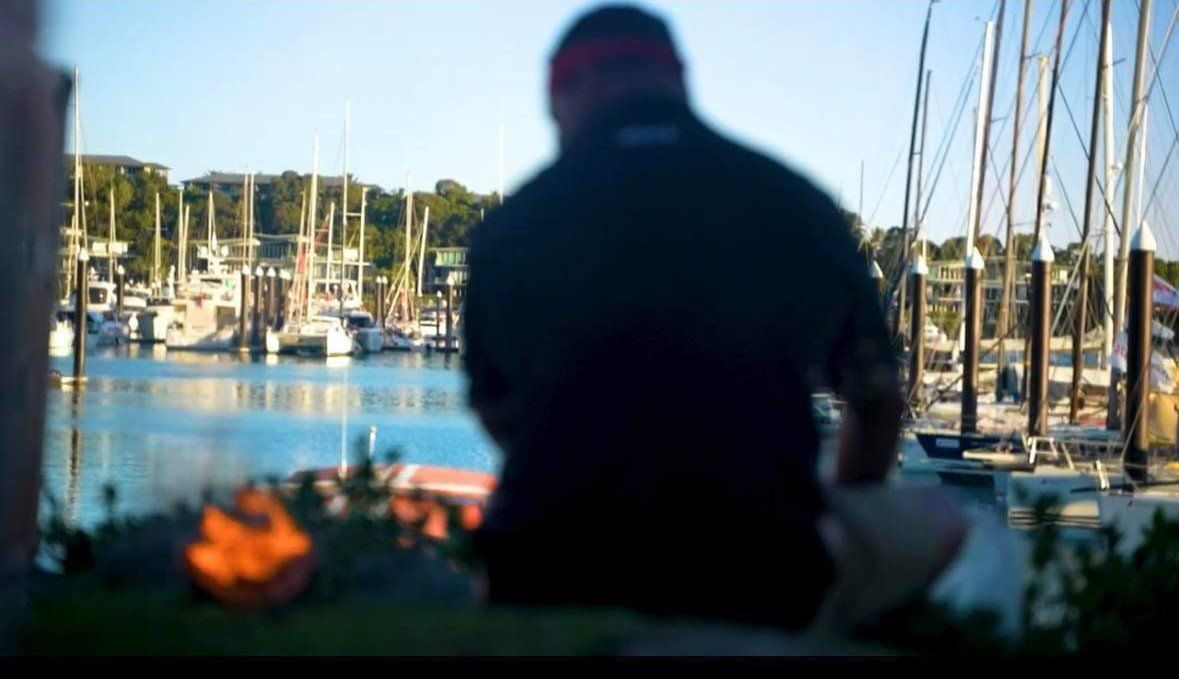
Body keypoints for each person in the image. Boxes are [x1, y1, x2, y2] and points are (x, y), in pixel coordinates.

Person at [463, 4, 903, 630]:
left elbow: (496, 404)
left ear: (570, 89)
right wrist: (842, 502)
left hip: (553, 567)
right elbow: (877, 392)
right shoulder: (792, 203)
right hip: (759, 570)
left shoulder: (513, 229)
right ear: (677, 78)